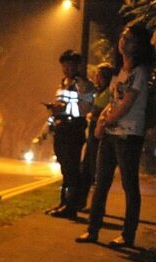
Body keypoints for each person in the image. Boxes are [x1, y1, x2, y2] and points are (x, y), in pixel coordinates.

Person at [76, 23, 156, 247]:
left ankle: (127, 235)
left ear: (139, 46)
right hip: (112, 133)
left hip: (129, 135)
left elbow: (126, 105)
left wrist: (104, 123)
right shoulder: (119, 72)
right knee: (100, 182)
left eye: (130, 39)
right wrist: (101, 122)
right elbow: (112, 103)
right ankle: (92, 231)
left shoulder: (139, 72)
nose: (124, 41)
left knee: (129, 186)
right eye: (123, 37)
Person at [45, 50, 93, 219]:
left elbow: (85, 108)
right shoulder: (63, 83)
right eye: (64, 65)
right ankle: (64, 203)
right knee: (65, 168)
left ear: (78, 66)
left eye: (70, 64)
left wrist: (63, 108)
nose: (66, 68)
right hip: (61, 128)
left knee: (71, 168)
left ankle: (71, 206)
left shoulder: (84, 85)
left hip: (74, 128)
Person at [77, 62, 114, 211]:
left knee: (96, 170)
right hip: (93, 133)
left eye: (98, 74)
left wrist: (94, 115)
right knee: (86, 168)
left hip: (100, 134)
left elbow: (104, 111)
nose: (95, 77)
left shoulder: (108, 92)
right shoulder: (99, 92)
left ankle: (96, 206)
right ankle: (82, 202)